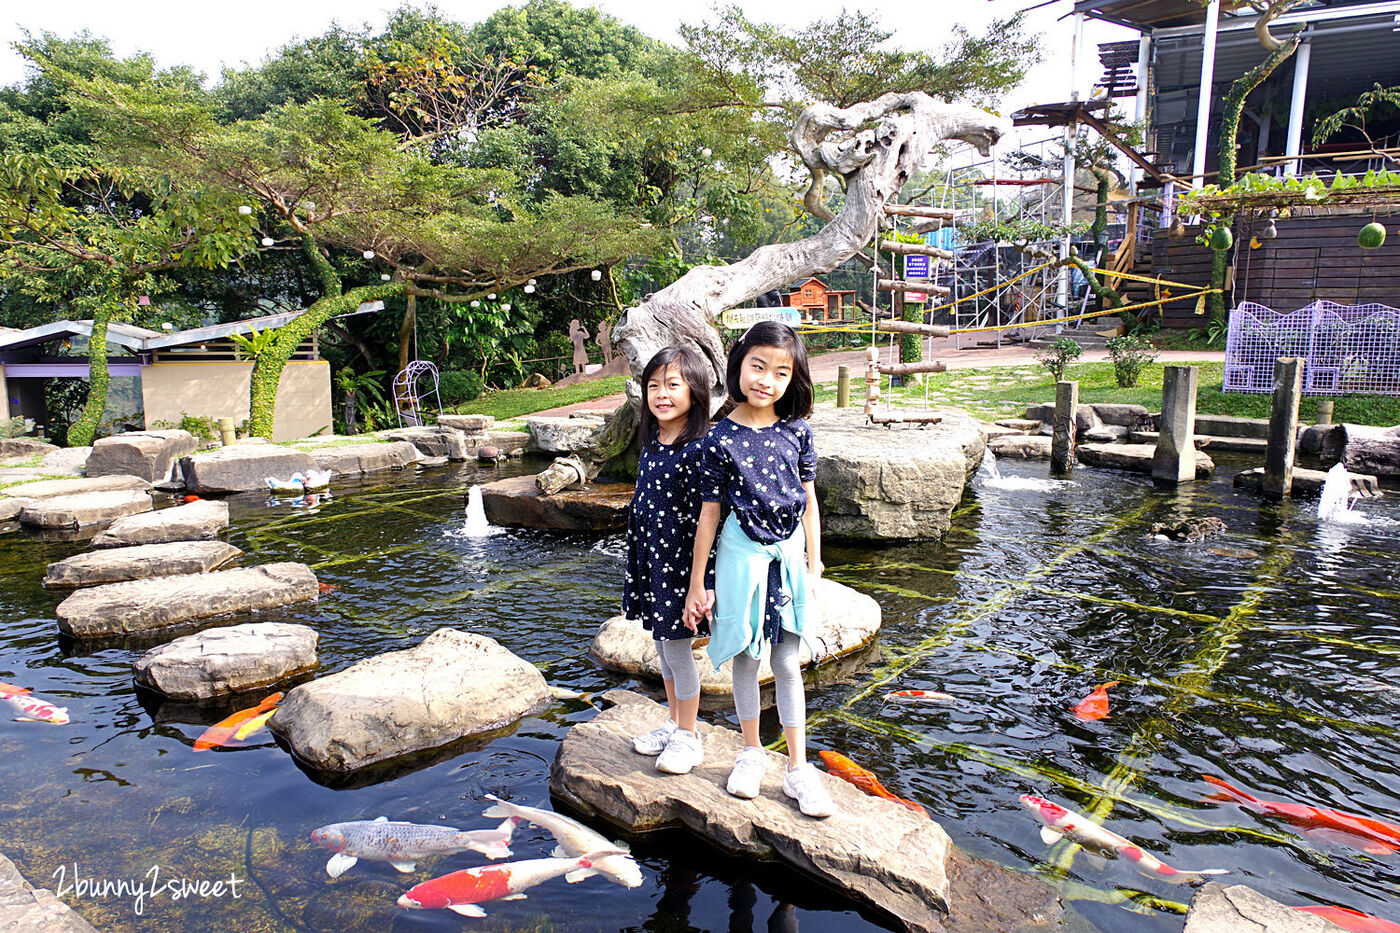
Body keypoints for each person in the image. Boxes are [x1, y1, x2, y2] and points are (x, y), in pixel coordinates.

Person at [686, 321, 834, 818]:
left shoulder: (798, 432)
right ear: (738, 365)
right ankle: (750, 751)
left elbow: (810, 503)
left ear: (793, 379)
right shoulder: (717, 438)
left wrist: (815, 567)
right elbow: (710, 514)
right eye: (757, 366)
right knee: (747, 657)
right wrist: (696, 583)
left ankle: (798, 768)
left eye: (780, 372)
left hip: (788, 557)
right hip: (740, 555)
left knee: (788, 661)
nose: (766, 380)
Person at [624, 346, 715, 775]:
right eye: (654, 385)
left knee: (678, 650)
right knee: (662, 645)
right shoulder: (654, 440)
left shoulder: (698, 449)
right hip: (654, 561)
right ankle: (674, 721)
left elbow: (708, 521)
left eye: (673, 385)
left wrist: (702, 582)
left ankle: (688, 736)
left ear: (695, 392)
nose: (661, 394)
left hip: (682, 567)